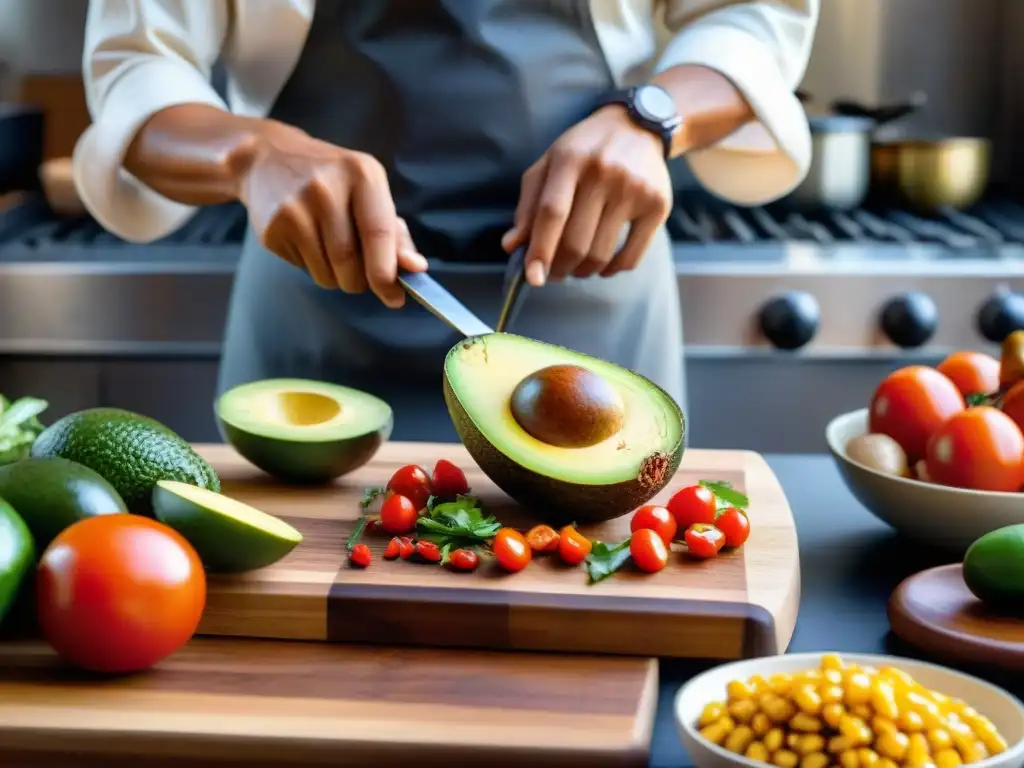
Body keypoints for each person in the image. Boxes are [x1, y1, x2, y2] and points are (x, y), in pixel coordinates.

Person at [74, 0, 818, 441]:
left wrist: (650, 120)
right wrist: (251, 152)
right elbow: (137, 67)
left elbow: (750, 15)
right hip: (315, 314)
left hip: (589, 296)